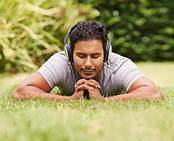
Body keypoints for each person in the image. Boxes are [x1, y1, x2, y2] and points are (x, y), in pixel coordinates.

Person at [12, 21, 163, 101]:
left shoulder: (118, 65)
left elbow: (154, 93)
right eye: (82, 56)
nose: (88, 63)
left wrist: (104, 102)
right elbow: (20, 92)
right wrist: (69, 100)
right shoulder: (61, 62)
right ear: (70, 53)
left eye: (95, 56)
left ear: (106, 53)